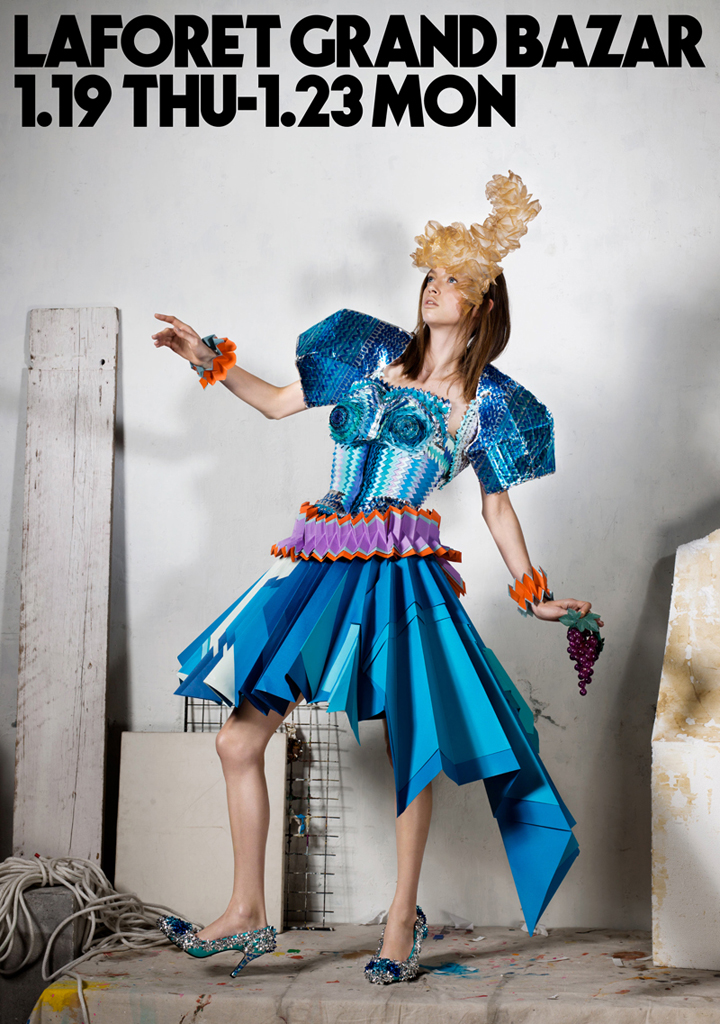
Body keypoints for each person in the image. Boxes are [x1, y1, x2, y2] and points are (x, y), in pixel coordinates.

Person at [153, 172, 602, 985]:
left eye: (454, 279)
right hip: (321, 565)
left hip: (400, 579)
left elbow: (497, 508)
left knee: (411, 747)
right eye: (431, 274)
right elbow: (277, 402)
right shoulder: (367, 357)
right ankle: (247, 909)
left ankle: (401, 919)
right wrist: (206, 361)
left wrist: (534, 594)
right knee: (237, 737)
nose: (435, 286)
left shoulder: (488, 404)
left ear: (483, 304)